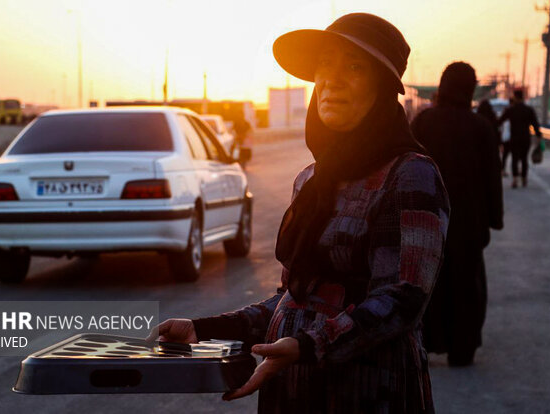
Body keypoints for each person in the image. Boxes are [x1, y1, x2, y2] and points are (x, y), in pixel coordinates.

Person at [151, 13, 449, 413]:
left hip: (367, 392)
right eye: (325, 64)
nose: (332, 79)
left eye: (354, 66)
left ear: (383, 88)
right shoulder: (312, 179)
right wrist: (204, 328)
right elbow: (296, 298)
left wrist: (309, 345)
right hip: (293, 389)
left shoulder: (411, 175)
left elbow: (402, 299)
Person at [411, 62, 503, 366]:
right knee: (466, 286)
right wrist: (494, 217)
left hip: (427, 219)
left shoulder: (424, 122)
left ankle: (424, 343)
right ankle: (461, 349)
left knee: (426, 285)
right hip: (468, 223)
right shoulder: (480, 127)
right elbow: (492, 175)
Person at [498, 89, 542, 187]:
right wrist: (538, 135)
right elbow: (535, 124)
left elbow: (500, 121)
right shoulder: (529, 110)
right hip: (525, 138)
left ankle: (515, 179)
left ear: (515, 97)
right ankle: (524, 178)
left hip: (514, 138)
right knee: (524, 159)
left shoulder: (511, 110)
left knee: (515, 158)